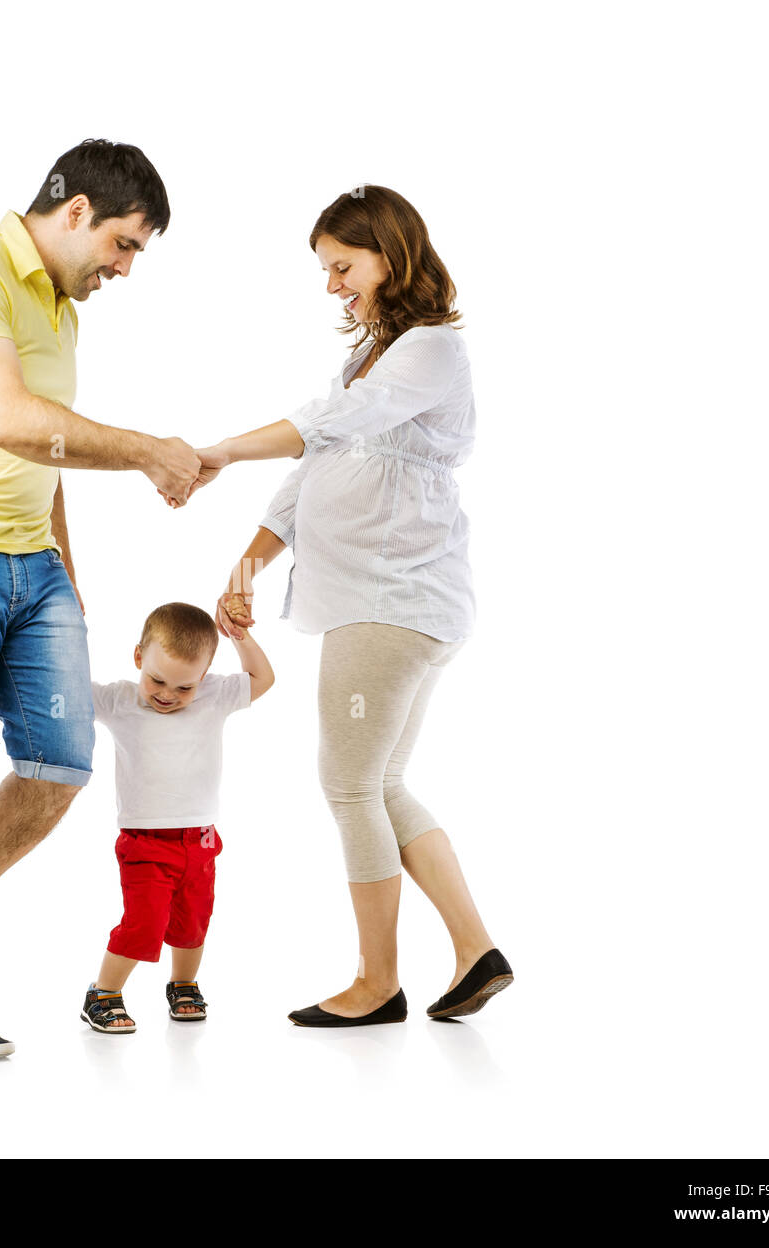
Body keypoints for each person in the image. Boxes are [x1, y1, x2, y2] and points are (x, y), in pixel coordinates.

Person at [0, 139, 203, 1060]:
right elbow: (11, 419)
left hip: (35, 566)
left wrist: (65, 564)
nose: (125, 268)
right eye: (124, 244)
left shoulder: (62, 308)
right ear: (76, 211)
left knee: (59, 763)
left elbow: (44, 452)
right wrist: (147, 451)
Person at [171, 185, 513, 1026]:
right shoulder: (375, 354)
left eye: (343, 266)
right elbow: (316, 466)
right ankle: (476, 952)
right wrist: (248, 565)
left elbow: (336, 421)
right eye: (325, 270)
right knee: (381, 781)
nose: (332, 286)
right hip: (385, 597)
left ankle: (377, 982)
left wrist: (224, 450)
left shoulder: (431, 350)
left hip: (392, 595)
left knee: (349, 783)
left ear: (390, 256)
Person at [80, 603, 273, 1033]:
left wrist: (238, 635)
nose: (168, 694)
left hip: (200, 840)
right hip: (145, 842)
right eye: (157, 680)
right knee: (144, 923)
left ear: (203, 676)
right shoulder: (119, 699)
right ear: (138, 658)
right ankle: (103, 992)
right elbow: (67, 687)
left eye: (185, 686)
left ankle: (184, 983)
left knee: (193, 922)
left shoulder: (213, 695)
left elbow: (263, 678)